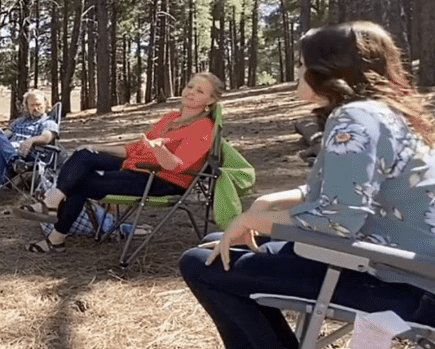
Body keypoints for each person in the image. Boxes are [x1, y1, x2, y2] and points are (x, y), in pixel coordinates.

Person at [179, 22, 435, 349]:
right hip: (399, 266)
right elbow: (349, 187)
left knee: (201, 264)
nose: (296, 71)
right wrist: (272, 200)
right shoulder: (379, 114)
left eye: (301, 63)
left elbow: (338, 218)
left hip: (404, 285)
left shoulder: (356, 118)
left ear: (327, 70)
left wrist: (251, 220)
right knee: (217, 245)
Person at [17, 72, 224, 253]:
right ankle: (51, 205)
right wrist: (97, 147)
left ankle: (55, 237)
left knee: (80, 182)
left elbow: (177, 166)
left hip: (161, 180)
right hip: (136, 168)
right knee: (84, 155)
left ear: (211, 101)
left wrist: (160, 151)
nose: (191, 92)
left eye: (200, 91)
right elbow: (135, 149)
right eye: (190, 86)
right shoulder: (170, 117)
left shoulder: (203, 128)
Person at [0, 90, 59, 209]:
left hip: (31, 153)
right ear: (26, 107)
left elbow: (47, 137)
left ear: (45, 104)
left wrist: (31, 140)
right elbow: (5, 135)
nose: (36, 108)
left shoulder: (48, 121)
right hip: (13, 152)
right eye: (32, 105)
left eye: (39, 104)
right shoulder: (19, 122)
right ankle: (14, 160)